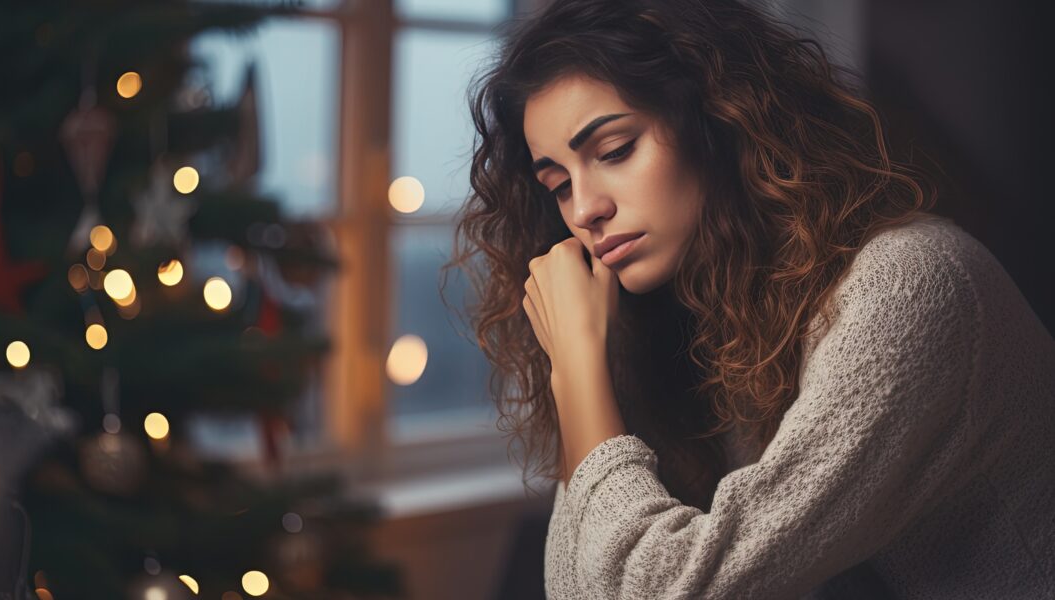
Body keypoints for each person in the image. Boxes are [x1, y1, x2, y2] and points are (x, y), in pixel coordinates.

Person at [445, 0, 1055, 597]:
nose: (584, 209)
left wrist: (576, 364)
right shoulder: (703, 322)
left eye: (614, 152)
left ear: (718, 121)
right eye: (557, 184)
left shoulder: (908, 285)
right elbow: (584, 586)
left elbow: (661, 590)